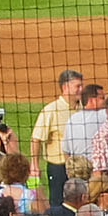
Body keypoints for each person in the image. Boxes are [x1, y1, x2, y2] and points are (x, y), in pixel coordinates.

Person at [30, 69, 86, 202]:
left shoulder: (83, 109)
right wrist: (34, 165)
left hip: (80, 168)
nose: (81, 89)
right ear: (65, 87)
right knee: (58, 203)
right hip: (59, 168)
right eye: (77, 86)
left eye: (81, 86)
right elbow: (36, 139)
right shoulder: (51, 110)